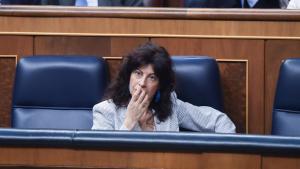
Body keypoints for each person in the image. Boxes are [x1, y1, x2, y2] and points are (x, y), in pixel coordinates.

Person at [92, 42, 236, 133]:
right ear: (128, 76)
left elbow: (220, 121)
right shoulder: (105, 111)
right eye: (138, 73)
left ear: (159, 85)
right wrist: (129, 121)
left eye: (152, 77)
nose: (142, 83)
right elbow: (102, 159)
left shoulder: (171, 107)